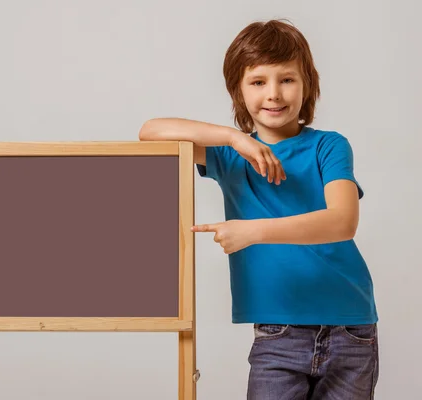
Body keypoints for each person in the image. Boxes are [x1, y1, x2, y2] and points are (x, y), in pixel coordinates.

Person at [138, 19, 379, 399]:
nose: (274, 94)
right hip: (277, 332)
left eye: (287, 79)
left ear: (308, 86)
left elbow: (342, 222)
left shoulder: (329, 146)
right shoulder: (229, 158)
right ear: (238, 90)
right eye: (258, 82)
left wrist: (252, 231)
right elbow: (150, 131)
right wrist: (235, 138)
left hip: (350, 328)